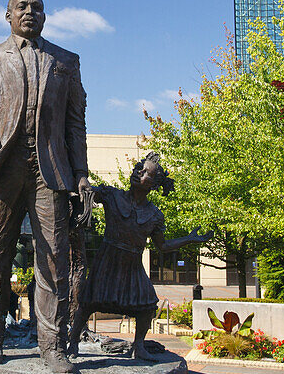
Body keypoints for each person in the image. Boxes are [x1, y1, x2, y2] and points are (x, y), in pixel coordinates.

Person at [0, 0, 90, 374]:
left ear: (45, 16)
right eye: (22, 7)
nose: (30, 12)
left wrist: (81, 174)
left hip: (50, 172)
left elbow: (75, 122)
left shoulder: (66, 61)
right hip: (3, 170)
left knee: (53, 258)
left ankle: (52, 345)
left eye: (37, 8)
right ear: (8, 15)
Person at [68, 152, 193, 361]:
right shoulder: (113, 195)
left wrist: (190, 239)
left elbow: (162, 246)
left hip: (132, 264)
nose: (138, 173)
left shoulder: (154, 215)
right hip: (107, 259)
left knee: (147, 304)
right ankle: (72, 344)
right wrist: (81, 183)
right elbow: (88, 192)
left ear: (154, 185)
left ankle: (139, 346)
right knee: (88, 302)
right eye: (138, 169)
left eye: (145, 173)